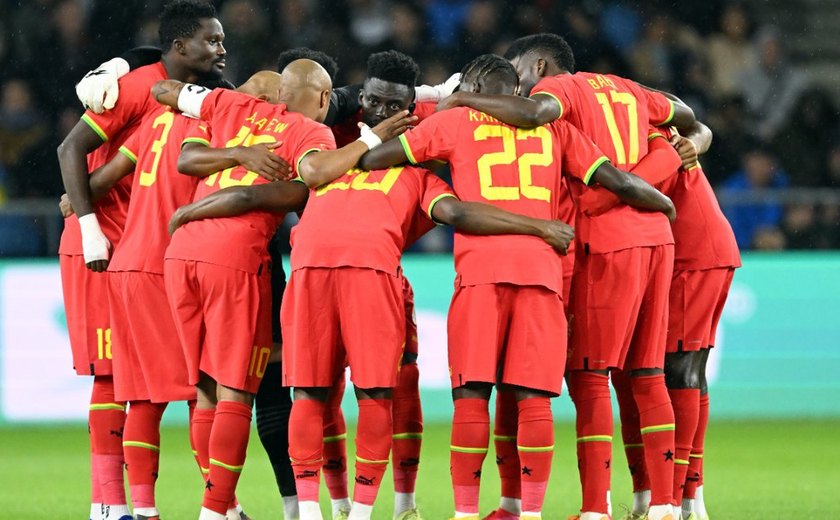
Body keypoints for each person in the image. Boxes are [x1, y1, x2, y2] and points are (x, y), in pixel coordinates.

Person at [360, 53, 675, 520]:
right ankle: (530, 514)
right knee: (533, 400)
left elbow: (372, 159)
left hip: (480, 277)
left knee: (472, 397)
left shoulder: (456, 123)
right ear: (516, 92)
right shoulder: (558, 131)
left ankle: (466, 513)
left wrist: (423, 168)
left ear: (472, 86)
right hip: (542, 278)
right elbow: (618, 182)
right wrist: (663, 202)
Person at [439, 34, 693, 520]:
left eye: (519, 76)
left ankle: (594, 509)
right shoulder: (628, 89)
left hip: (603, 238)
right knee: (647, 373)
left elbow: (535, 115)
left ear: (540, 66)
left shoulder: (557, 95)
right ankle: (661, 503)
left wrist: (461, 97)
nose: (514, 90)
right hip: (656, 235)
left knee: (590, 375)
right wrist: (690, 145)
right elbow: (686, 116)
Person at [151, 59, 415, 520]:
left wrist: (213, 182)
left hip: (180, 255)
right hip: (234, 259)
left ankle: (229, 510)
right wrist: (371, 138)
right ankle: (214, 513)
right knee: (237, 393)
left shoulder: (231, 104)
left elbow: (164, 90)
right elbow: (311, 175)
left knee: (204, 392)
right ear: (320, 98)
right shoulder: (312, 133)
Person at [56, 2, 226, 519]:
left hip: (143, 246)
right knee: (113, 378)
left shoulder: (200, 96)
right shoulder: (133, 85)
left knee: (152, 384)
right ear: (180, 47)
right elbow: (69, 151)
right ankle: (107, 507)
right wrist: (88, 229)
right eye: (212, 41)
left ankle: (165, 506)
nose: (222, 50)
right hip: (102, 243)